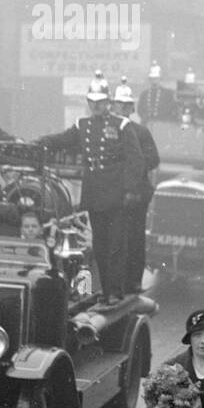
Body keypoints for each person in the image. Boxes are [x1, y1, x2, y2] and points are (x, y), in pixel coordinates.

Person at [37, 73, 146, 307]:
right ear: (88, 103)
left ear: (108, 102)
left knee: (116, 244)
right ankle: (106, 289)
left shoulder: (122, 125)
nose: (96, 106)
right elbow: (62, 139)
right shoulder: (83, 125)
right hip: (95, 189)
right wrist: (38, 142)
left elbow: (135, 160)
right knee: (100, 244)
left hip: (116, 191)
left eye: (100, 102)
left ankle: (115, 290)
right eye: (92, 102)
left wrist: (129, 190)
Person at [112, 77, 159, 294]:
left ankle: (133, 282)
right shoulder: (107, 130)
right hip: (112, 194)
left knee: (134, 240)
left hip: (136, 196)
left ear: (132, 108)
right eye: (118, 105)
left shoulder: (141, 132)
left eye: (125, 105)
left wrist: (133, 164)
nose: (121, 108)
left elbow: (153, 159)